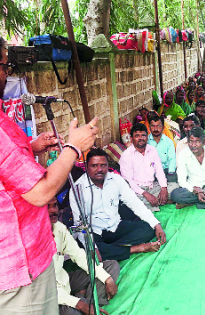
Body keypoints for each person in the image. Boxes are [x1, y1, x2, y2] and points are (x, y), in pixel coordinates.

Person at [0, 36, 99, 315]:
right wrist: (73, 147)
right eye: (5, 65)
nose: (9, 72)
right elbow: (42, 192)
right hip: (21, 270)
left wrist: (30, 148)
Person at [70, 148, 166, 261]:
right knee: (88, 249)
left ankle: (113, 250)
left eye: (103, 165)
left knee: (149, 228)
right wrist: (93, 247)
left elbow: (135, 203)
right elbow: (79, 224)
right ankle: (135, 248)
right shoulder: (78, 189)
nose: (99, 169)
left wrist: (156, 225)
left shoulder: (116, 180)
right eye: (94, 166)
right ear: (86, 167)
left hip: (115, 227)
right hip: (95, 233)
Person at [48, 198, 120, 315]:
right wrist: (79, 303)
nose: (53, 210)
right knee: (70, 313)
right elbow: (40, 291)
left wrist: (107, 278)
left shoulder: (59, 228)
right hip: (51, 297)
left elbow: (79, 255)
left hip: (64, 281)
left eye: (55, 205)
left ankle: (91, 304)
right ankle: (84, 302)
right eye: (47, 207)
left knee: (111, 267)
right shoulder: (30, 240)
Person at [120, 123, 178, 212]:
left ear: (147, 137)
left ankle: (156, 201)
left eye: (143, 135)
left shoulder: (152, 150)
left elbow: (159, 171)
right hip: (137, 191)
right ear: (131, 139)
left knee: (175, 187)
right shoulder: (126, 155)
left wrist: (163, 188)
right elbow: (129, 182)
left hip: (152, 186)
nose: (141, 138)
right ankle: (161, 201)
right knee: (129, 201)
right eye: (137, 136)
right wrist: (145, 194)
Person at [147, 114, 177, 182]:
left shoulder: (168, 142)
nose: (156, 129)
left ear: (163, 127)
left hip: (165, 170)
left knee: (173, 179)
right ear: (149, 127)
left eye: (158, 126)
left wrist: (171, 172)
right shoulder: (146, 141)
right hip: (151, 171)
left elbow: (172, 159)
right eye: (153, 126)